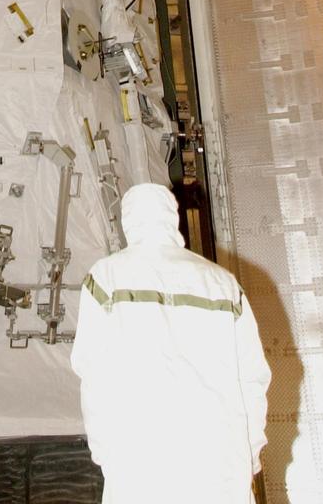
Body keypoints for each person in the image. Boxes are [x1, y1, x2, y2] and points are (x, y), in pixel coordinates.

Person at [71, 183, 270, 504]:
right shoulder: (223, 283)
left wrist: (106, 453)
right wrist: (248, 455)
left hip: (140, 460)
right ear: (172, 217)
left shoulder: (106, 277)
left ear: (128, 221)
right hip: (220, 459)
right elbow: (253, 379)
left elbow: (94, 375)